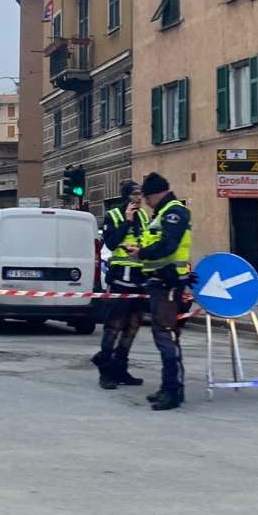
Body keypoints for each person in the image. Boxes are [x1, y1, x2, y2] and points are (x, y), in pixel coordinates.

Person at [126, 172, 193, 411]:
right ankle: (170, 387)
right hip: (159, 282)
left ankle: (172, 391)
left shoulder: (174, 212)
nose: (144, 201)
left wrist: (141, 254)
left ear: (156, 193)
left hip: (168, 283)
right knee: (164, 335)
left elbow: (167, 245)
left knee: (166, 336)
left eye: (146, 196)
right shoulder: (162, 213)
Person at [91, 180, 148, 390]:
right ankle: (105, 370)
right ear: (126, 196)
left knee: (133, 326)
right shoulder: (113, 215)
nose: (139, 198)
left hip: (139, 277)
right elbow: (112, 243)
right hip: (120, 279)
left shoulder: (143, 215)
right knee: (113, 326)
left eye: (140, 194)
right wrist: (127, 221)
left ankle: (120, 368)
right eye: (135, 194)